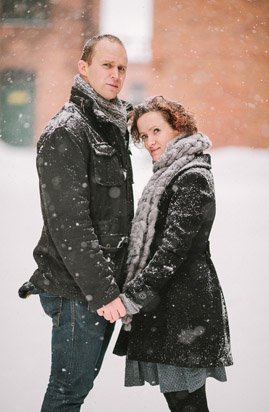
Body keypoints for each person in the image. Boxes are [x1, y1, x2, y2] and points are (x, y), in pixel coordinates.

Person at [18, 34, 133, 411]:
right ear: (83, 68)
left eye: (121, 68)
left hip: (99, 289)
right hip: (78, 291)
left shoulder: (109, 124)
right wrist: (103, 294)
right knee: (67, 393)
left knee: (76, 390)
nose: (115, 74)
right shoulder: (66, 131)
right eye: (106, 65)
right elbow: (70, 226)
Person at [110, 96, 232, 412]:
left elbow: (171, 252)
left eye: (156, 131)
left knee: (187, 404)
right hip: (171, 307)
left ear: (178, 128)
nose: (150, 141)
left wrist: (130, 298)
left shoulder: (192, 176)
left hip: (185, 312)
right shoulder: (172, 173)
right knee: (182, 402)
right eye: (144, 135)